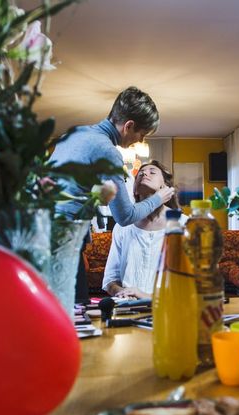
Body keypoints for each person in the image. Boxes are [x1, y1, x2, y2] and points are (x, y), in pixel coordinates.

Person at [49, 87, 175, 303]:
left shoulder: (75, 134)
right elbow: (124, 217)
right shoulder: (107, 151)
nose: (140, 140)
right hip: (61, 241)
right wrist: (158, 198)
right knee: (75, 315)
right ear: (128, 126)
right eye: (141, 134)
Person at [102, 161, 186, 299]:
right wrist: (121, 293)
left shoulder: (184, 224)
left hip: (169, 308)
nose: (144, 173)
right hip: (128, 308)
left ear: (165, 186)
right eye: (140, 174)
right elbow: (110, 279)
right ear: (135, 189)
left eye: (152, 172)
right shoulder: (123, 227)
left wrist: (144, 295)